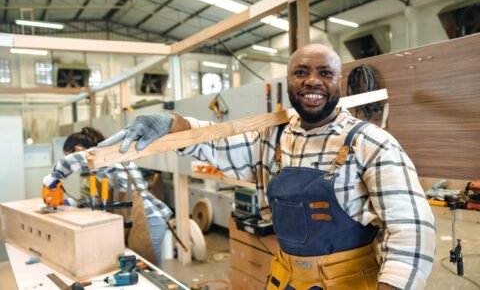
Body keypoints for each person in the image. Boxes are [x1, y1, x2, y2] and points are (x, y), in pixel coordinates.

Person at [99, 44, 435, 290]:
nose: (312, 82)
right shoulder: (272, 138)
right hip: (286, 278)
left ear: (339, 81)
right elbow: (213, 141)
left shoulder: (372, 143)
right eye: (301, 73)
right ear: (288, 81)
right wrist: (169, 123)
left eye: (324, 73)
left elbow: (412, 234)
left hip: (351, 283)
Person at [43, 127, 172, 269]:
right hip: (135, 220)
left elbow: (68, 162)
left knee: (152, 271)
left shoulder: (108, 158)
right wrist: (73, 202)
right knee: (140, 268)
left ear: (79, 149)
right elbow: (102, 200)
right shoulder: (103, 168)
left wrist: (52, 178)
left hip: (149, 221)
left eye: (67, 153)